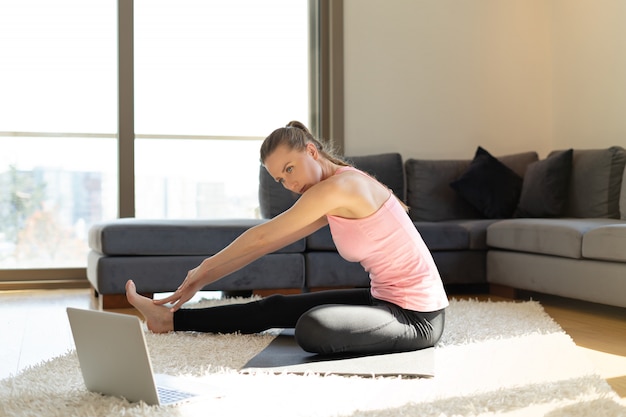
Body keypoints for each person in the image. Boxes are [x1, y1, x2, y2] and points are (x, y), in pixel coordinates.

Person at [126, 121, 448, 355]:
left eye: (290, 169)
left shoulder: (341, 187)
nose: (288, 184)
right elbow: (266, 244)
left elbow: (261, 236)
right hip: (383, 300)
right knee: (275, 306)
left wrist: (202, 272)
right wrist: (201, 279)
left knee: (313, 327)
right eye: (280, 178)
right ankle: (169, 321)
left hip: (418, 319)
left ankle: (172, 319)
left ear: (311, 150)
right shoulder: (332, 191)